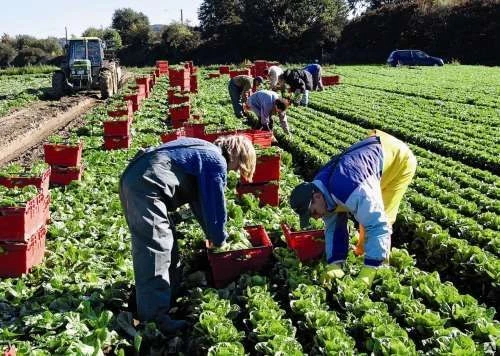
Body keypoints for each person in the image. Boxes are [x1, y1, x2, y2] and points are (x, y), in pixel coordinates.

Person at [119, 136, 256, 334]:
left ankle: (161, 297)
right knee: (156, 250)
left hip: (136, 177)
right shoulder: (215, 160)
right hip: (145, 186)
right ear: (237, 157)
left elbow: (200, 204)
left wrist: (212, 233)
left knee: (168, 242)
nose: (233, 171)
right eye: (237, 168)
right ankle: (154, 321)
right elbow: (214, 206)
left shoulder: (205, 151)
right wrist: (219, 240)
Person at [289, 130, 417, 287]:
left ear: (316, 197)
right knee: (365, 213)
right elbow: (333, 228)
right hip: (371, 155)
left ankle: (378, 266)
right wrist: (335, 263)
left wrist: (369, 270)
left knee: (380, 218)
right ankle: (365, 254)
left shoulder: (351, 188)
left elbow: (378, 225)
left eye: (313, 212)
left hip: (398, 160)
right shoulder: (320, 191)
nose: (315, 217)